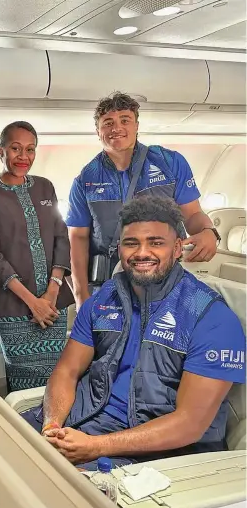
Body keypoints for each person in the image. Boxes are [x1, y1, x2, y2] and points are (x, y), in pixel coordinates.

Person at [22, 196, 245, 470]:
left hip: (151, 450)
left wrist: (95, 447)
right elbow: (67, 371)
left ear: (177, 249)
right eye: (131, 243)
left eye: (156, 243)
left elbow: (190, 423)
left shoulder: (212, 318)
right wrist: (52, 425)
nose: (142, 253)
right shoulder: (104, 299)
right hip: (81, 421)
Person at [67, 92, 220, 310]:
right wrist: (81, 297)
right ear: (98, 131)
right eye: (108, 122)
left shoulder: (169, 162)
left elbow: (193, 214)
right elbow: (77, 239)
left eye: (125, 120)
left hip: (166, 281)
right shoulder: (86, 179)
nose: (116, 128)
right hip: (110, 284)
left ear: (137, 125)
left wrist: (208, 231)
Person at [0, 121, 74, 391]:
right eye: (15, 148)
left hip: (54, 305)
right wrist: (33, 302)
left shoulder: (45, 187)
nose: (23, 156)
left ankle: (54, 433)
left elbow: (61, 237)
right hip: (15, 307)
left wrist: (51, 294)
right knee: (24, 382)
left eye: (30, 150)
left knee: (55, 381)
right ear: (0, 151)